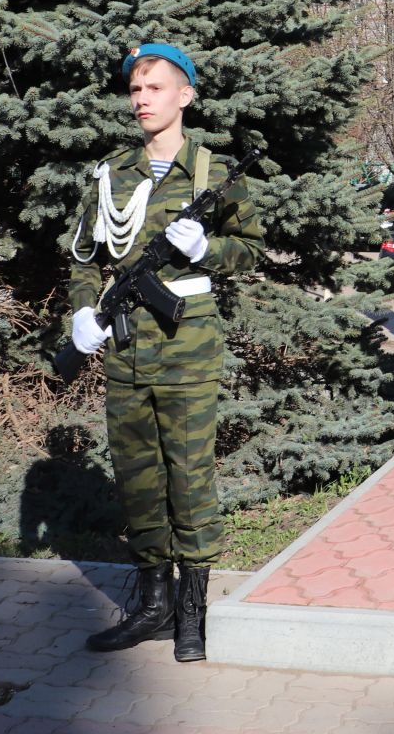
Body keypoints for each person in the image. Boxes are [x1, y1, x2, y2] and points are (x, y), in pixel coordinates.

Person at [65, 43, 262, 662]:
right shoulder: (109, 173)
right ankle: (154, 604)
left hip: (187, 350)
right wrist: (79, 311)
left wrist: (209, 250)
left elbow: (251, 253)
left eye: (155, 88)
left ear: (186, 95)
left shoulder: (212, 173)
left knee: (190, 477)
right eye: (135, 90)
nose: (142, 99)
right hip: (124, 351)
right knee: (138, 479)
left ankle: (193, 612)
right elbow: (84, 257)